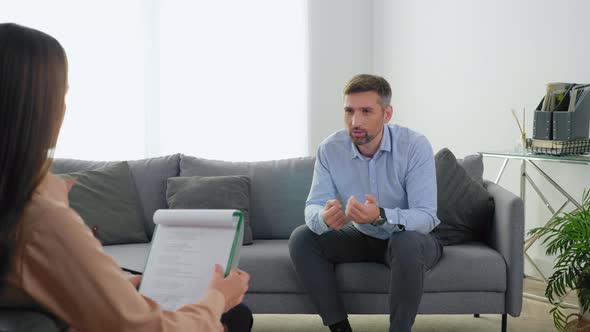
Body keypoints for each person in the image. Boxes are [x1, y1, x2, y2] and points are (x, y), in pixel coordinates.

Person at [0, 23, 252, 332]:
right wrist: (216, 298)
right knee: (234, 317)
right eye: (61, 94)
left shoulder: (21, 206)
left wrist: (114, 283)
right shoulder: (41, 218)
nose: (64, 107)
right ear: (38, 105)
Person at [289, 74, 443, 332]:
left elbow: (426, 216)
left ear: (387, 114)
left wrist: (380, 215)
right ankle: (340, 328)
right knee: (302, 238)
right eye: (349, 111)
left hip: (410, 239)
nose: (355, 121)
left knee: (406, 242)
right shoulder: (330, 149)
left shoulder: (414, 146)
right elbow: (313, 204)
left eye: (366, 111)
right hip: (361, 236)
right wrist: (323, 218)